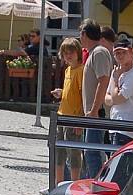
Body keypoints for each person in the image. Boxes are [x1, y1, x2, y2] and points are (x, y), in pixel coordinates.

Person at [79, 19, 112, 178]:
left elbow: (104, 80)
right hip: (93, 112)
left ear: (84, 33)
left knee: (92, 153)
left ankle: (96, 187)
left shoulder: (99, 52)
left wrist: (93, 110)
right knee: (91, 153)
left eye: (81, 33)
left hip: (97, 112)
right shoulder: (94, 52)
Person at [50, 37, 84, 182]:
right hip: (61, 115)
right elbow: (72, 92)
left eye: (71, 52)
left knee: (74, 153)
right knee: (59, 153)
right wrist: (62, 93)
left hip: (73, 118)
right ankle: (58, 183)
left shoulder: (81, 70)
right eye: (65, 53)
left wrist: (80, 121)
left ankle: (74, 183)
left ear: (78, 53)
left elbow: (83, 96)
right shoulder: (68, 70)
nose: (68, 55)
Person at [105, 39, 133, 146]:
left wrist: (115, 79)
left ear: (132, 52)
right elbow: (106, 99)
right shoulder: (117, 71)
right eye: (117, 53)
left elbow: (118, 99)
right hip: (114, 125)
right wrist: (114, 96)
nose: (120, 56)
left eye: (124, 52)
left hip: (127, 127)